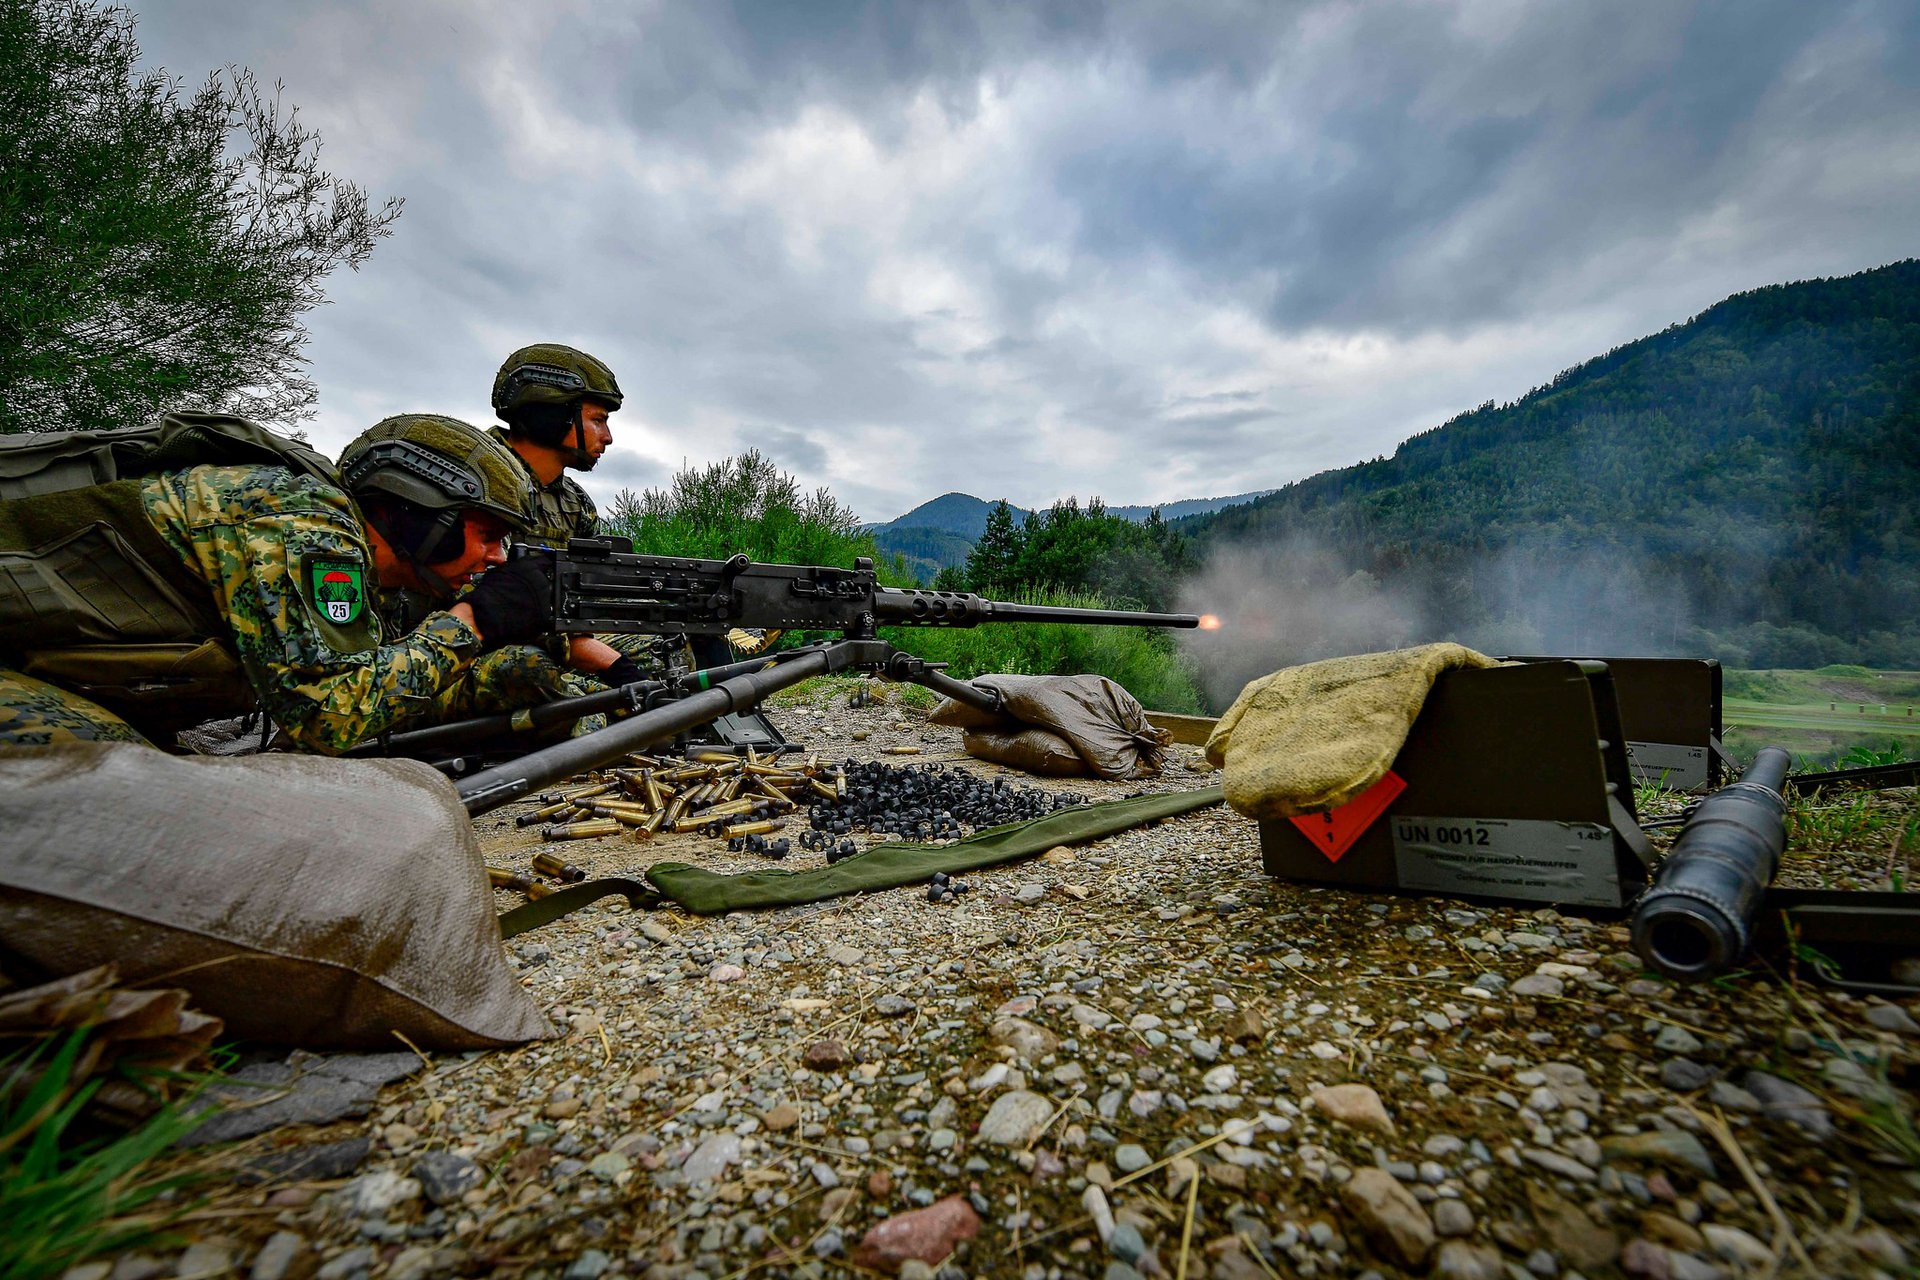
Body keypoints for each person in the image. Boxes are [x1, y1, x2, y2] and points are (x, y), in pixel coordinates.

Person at [0, 412, 556, 752]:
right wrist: (471, 623)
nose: (495, 557)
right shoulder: (300, 520)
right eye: (487, 534)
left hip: (46, 673)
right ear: (421, 514)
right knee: (118, 800)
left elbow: (382, 691)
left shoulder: (364, 571)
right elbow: (331, 717)